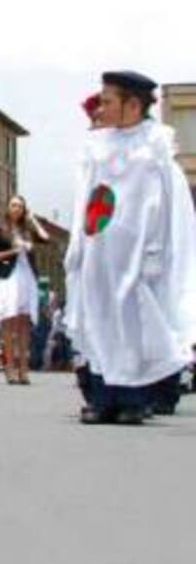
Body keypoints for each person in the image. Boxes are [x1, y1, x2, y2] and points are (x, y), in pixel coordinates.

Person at [65, 71, 196, 424]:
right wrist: (78, 243)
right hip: (99, 250)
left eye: (108, 101)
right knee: (98, 319)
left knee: (132, 325)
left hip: (136, 254)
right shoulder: (97, 146)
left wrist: (155, 250)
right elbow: (85, 199)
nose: (101, 107)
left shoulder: (153, 146)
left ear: (133, 104)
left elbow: (164, 205)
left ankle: (133, 398)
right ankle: (102, 396)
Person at [0, 195, 49, 384]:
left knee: (23, 324)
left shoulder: (27, 230)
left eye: (20, 206)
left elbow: (45, 237)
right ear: (8, 208)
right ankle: (10, 368)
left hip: (26, 278)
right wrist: (15, 251)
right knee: (8, 323)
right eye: (13, 205)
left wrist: (33, 219)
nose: (16, 209)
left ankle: (23, 369)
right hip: (7, 278)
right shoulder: (0, 230)